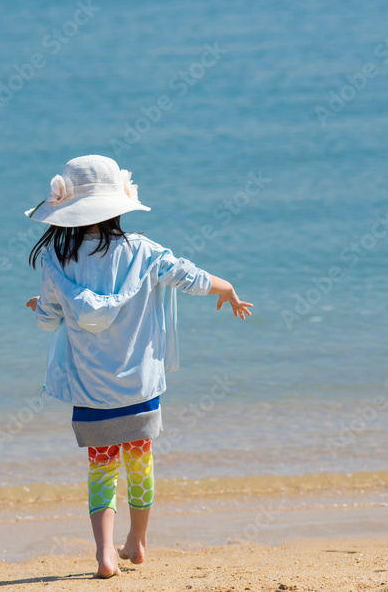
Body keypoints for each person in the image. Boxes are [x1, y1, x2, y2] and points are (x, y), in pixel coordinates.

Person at [23, 155, 253, 579]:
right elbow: (190, 276)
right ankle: (139, 543)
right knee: (141, 465)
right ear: (117, 208)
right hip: (141, 390)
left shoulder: (57, 263)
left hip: (91, 392)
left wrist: (41, 307)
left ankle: (105, 554)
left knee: (101, 469)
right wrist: (229, 289)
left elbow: (48, 319)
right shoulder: (144, 252)